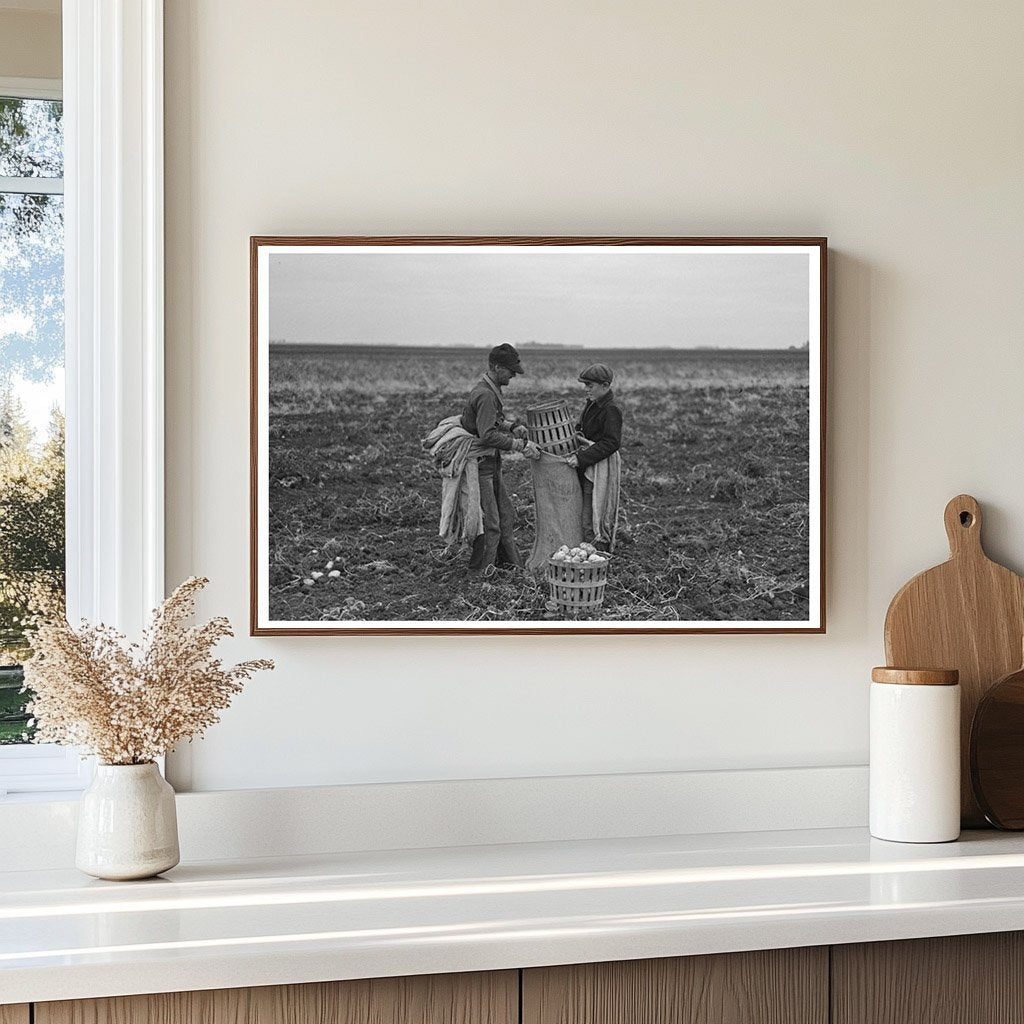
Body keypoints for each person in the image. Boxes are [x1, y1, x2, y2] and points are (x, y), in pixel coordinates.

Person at [460, 344, 539, 577]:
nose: (514, 375)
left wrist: (512, 426)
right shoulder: (485, 394)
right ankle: (480, 573)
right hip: (482, 466)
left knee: (506, 514)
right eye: (510, 370)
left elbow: (492, 422)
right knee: (491, 522)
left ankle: (510, 563)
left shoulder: (489, 390)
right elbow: (487, 434)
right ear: (496, 367)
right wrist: (519, 445)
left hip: (490, 464)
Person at [567, 363, 622, 551]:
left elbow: (611, 443)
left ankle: (598, 559)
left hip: (598, 469)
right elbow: (582, 427)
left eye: (590, 385)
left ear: (605, 386)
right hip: (588, 465)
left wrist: (582, 458)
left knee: (593, 517)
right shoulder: (592, 404)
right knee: (585, 513)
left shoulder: (610, 409)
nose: (586, 389)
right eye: (585, 385)